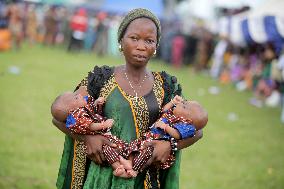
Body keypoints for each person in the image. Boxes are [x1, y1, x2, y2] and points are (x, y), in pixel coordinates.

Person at [52, 8, 206, 189]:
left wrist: (170, 145)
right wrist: (86, 137)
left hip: (144, 180)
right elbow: (60, 117)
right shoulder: (100, 79)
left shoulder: (167, 86)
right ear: (121, 40)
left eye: (149, 40)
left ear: (156, 45)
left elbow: (196, 130)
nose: (141, 46)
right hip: (100, 179)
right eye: (134, 38)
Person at [50, 86, 137, 178]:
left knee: (117, 147)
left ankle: (125, 161)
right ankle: (118, 168)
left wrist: (97, 103)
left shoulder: (82, 108)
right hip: (100, 138)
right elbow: (90, 125)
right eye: (76, 97)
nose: (79, 94)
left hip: (104, 135)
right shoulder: (78, 117)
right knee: (110, 150)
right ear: (72, 111)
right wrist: (104, 125)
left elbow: (92, 110)